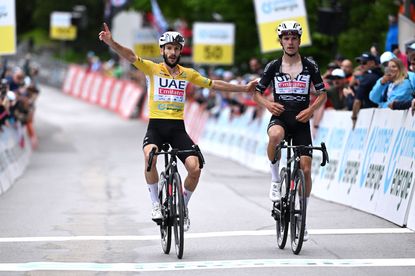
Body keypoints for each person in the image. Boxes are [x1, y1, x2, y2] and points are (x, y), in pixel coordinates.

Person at [99, 23, 256, 231]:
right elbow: (130, 56)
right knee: (150, 157)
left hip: (177, 130)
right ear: (162, 50)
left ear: (180, 51)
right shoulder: (152, 69)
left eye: (176, 49)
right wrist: (112, 43)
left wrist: (244, 88)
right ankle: (155, 203)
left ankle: (183, 205)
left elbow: (215, 84)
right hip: (156, 128)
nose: (172, 52)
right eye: (169, 48)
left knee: (195, 168)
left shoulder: (187, 74)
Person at [253, 21, 327, 241]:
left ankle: (302, 217)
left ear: (299, 41)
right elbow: (256, 93)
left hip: (301, 120)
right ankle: (276, 180)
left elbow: (323, 94)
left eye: (294, 38)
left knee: (306, 168)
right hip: (281, 117)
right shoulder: (273, 66)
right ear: (281, 41)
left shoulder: (310, 65)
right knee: (274, 136)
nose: (291, 42)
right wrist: (268, 104)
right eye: (286, 38)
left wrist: (311, 110)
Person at [350, 52, 382, 128]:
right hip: (381, 112)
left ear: (372, 63)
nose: (361, 65)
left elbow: (357, 101)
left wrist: (354, 117)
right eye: (360, 63)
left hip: (372, 116)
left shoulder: (367, 78)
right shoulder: (381, 74)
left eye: (364, 63)